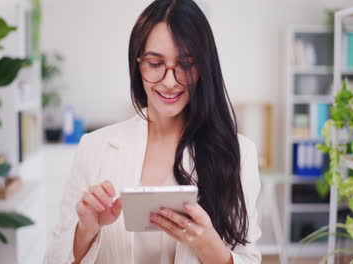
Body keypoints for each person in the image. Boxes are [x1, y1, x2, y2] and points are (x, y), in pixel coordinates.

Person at [43, 0, 261, 263]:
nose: (170, 82)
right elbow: (53, 258)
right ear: (138, 65)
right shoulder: (95, 147)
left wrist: (209, 246)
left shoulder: (238, 153)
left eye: (185, 64)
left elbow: (249, 257)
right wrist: (86, 231)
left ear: (204, 68)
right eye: (155, 64)